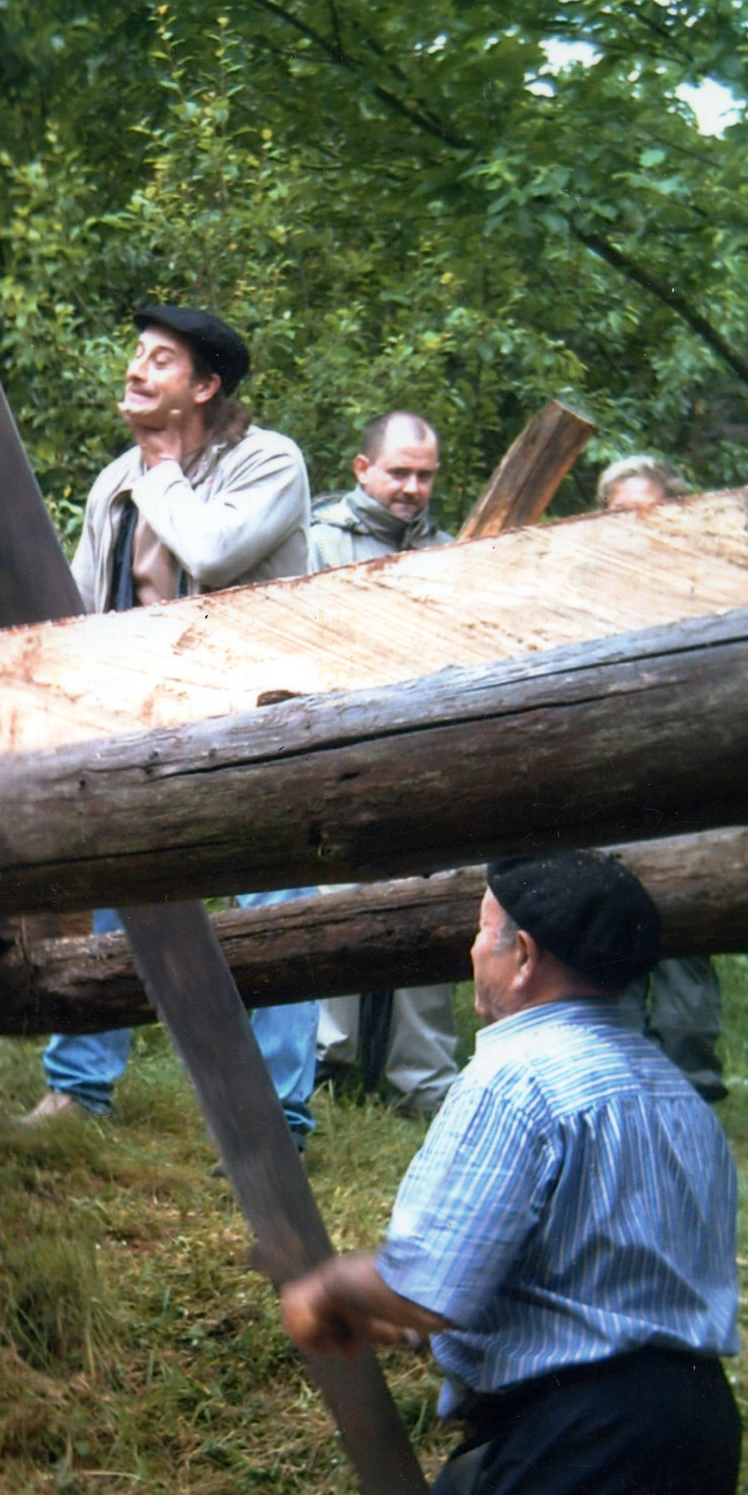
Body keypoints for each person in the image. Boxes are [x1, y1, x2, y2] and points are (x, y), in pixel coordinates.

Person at [280, 849, 741, 1495]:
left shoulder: (516, 1078)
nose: (472, 947)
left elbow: (428, 1282)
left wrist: (328, 1292)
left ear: (523, 954)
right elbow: (589, 1287)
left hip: (575, 1447)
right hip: (692, 1430)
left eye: (483, 928)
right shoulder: (677, 1099)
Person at [21, 304, 319, 1147]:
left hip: (252, 713)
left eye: (160, 361)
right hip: (138, 718)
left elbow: (214, 551)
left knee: (276, 904)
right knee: (122, 891)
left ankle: (277, 1118)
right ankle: (78, 1090)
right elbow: (79, 605)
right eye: (136, 355)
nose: (136, 370)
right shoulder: (117, 479)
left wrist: (155, 474)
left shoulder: (270, 461)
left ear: (205, 386)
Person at [309, 411, 459, 1118]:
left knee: (430, 905)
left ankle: (422, 1079)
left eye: (424, 475)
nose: (411, 488)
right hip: (335, 752)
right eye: (398, 471)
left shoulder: (455, 550)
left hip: (425, 755)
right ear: (360, 469)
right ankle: (324, 1062)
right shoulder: (314, 542)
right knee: (333, 901)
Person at [597, 455, 725, 1100]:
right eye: (621, 512)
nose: (636, 525)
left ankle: (690, 1085)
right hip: (609, 789)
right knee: (607, 937)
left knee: (682, 939)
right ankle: (617, 1085)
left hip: (682, 786)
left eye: (651, 510)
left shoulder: (703, 588)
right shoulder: (580, 589)